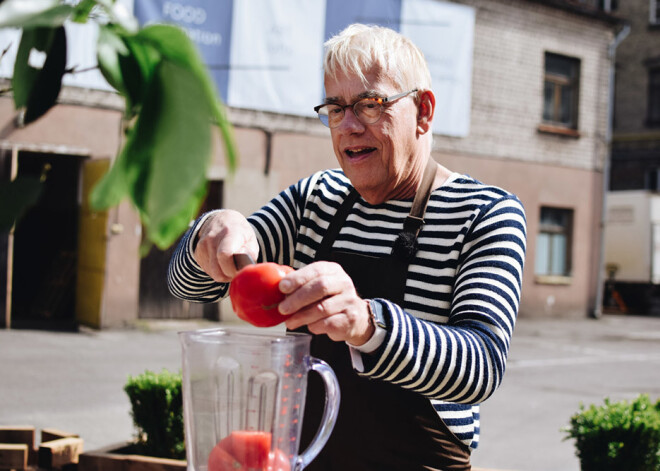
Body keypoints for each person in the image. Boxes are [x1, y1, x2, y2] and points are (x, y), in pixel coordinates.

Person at [168, 23, 526, 471]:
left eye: (371, 105)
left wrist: (366, 323)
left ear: (423, 112)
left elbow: (481, 367)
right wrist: (210, 233)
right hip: (305, 459)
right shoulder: (314, 199)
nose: (350, 126)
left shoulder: (485, 213)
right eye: (336, 109)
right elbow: (190, 287)